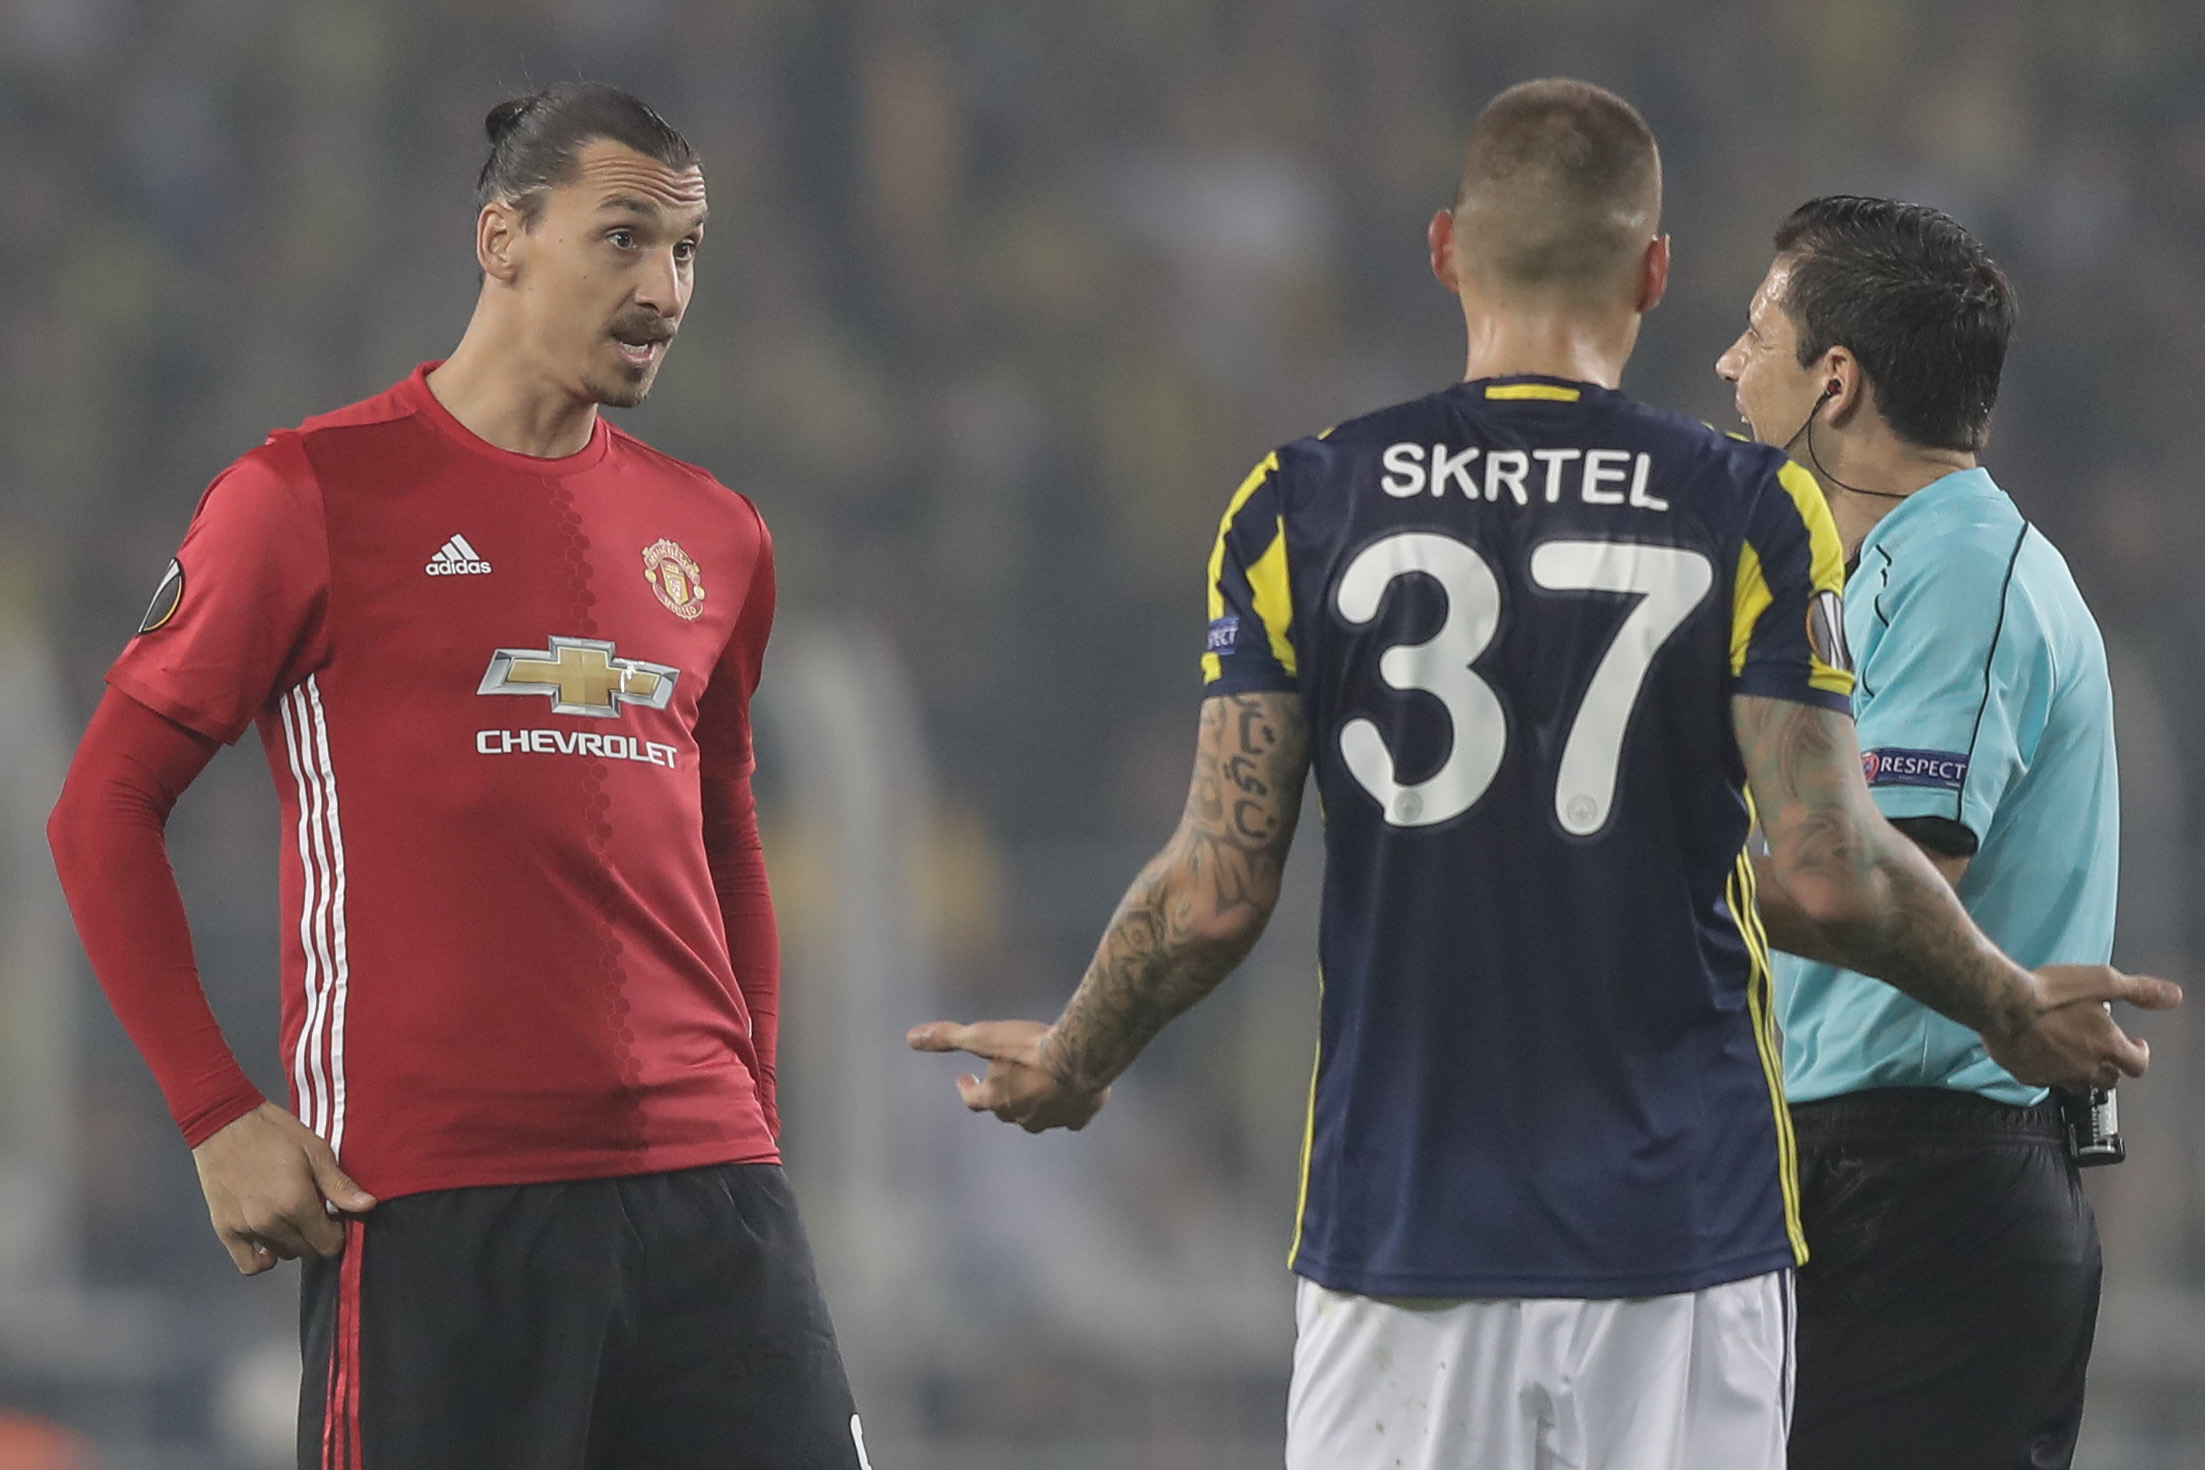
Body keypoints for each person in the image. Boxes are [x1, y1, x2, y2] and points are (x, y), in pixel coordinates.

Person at [908, 79, 2177, 1470]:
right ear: (1653, 273)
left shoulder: (1300, 503)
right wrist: (2005, 1001)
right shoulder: (1749, 512)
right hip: (1684, 1236)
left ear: (1446, 249)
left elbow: (1214, 890)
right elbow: (1832, 869)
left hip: (1404, 1229)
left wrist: (1076, 1057)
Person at [47, 83, 870, 1470]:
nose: (664, 289)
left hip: (713, 1204)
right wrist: (214, 1110)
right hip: (441, 1206)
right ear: (502, 241)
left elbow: (725, 835)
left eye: (687, 251)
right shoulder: (308, 495)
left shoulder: (717, 534)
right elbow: (101, 808)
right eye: (623, 238)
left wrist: (755, 1121)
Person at [1719, 197, 2123, 1470]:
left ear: (1834, 380)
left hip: (1928, 1185)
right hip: (1850, 1170)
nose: (1729, 365)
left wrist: (1632, 863)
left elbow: (1870, 886)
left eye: (1756, 333)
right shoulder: (1857, 577)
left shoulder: (1960, 569)